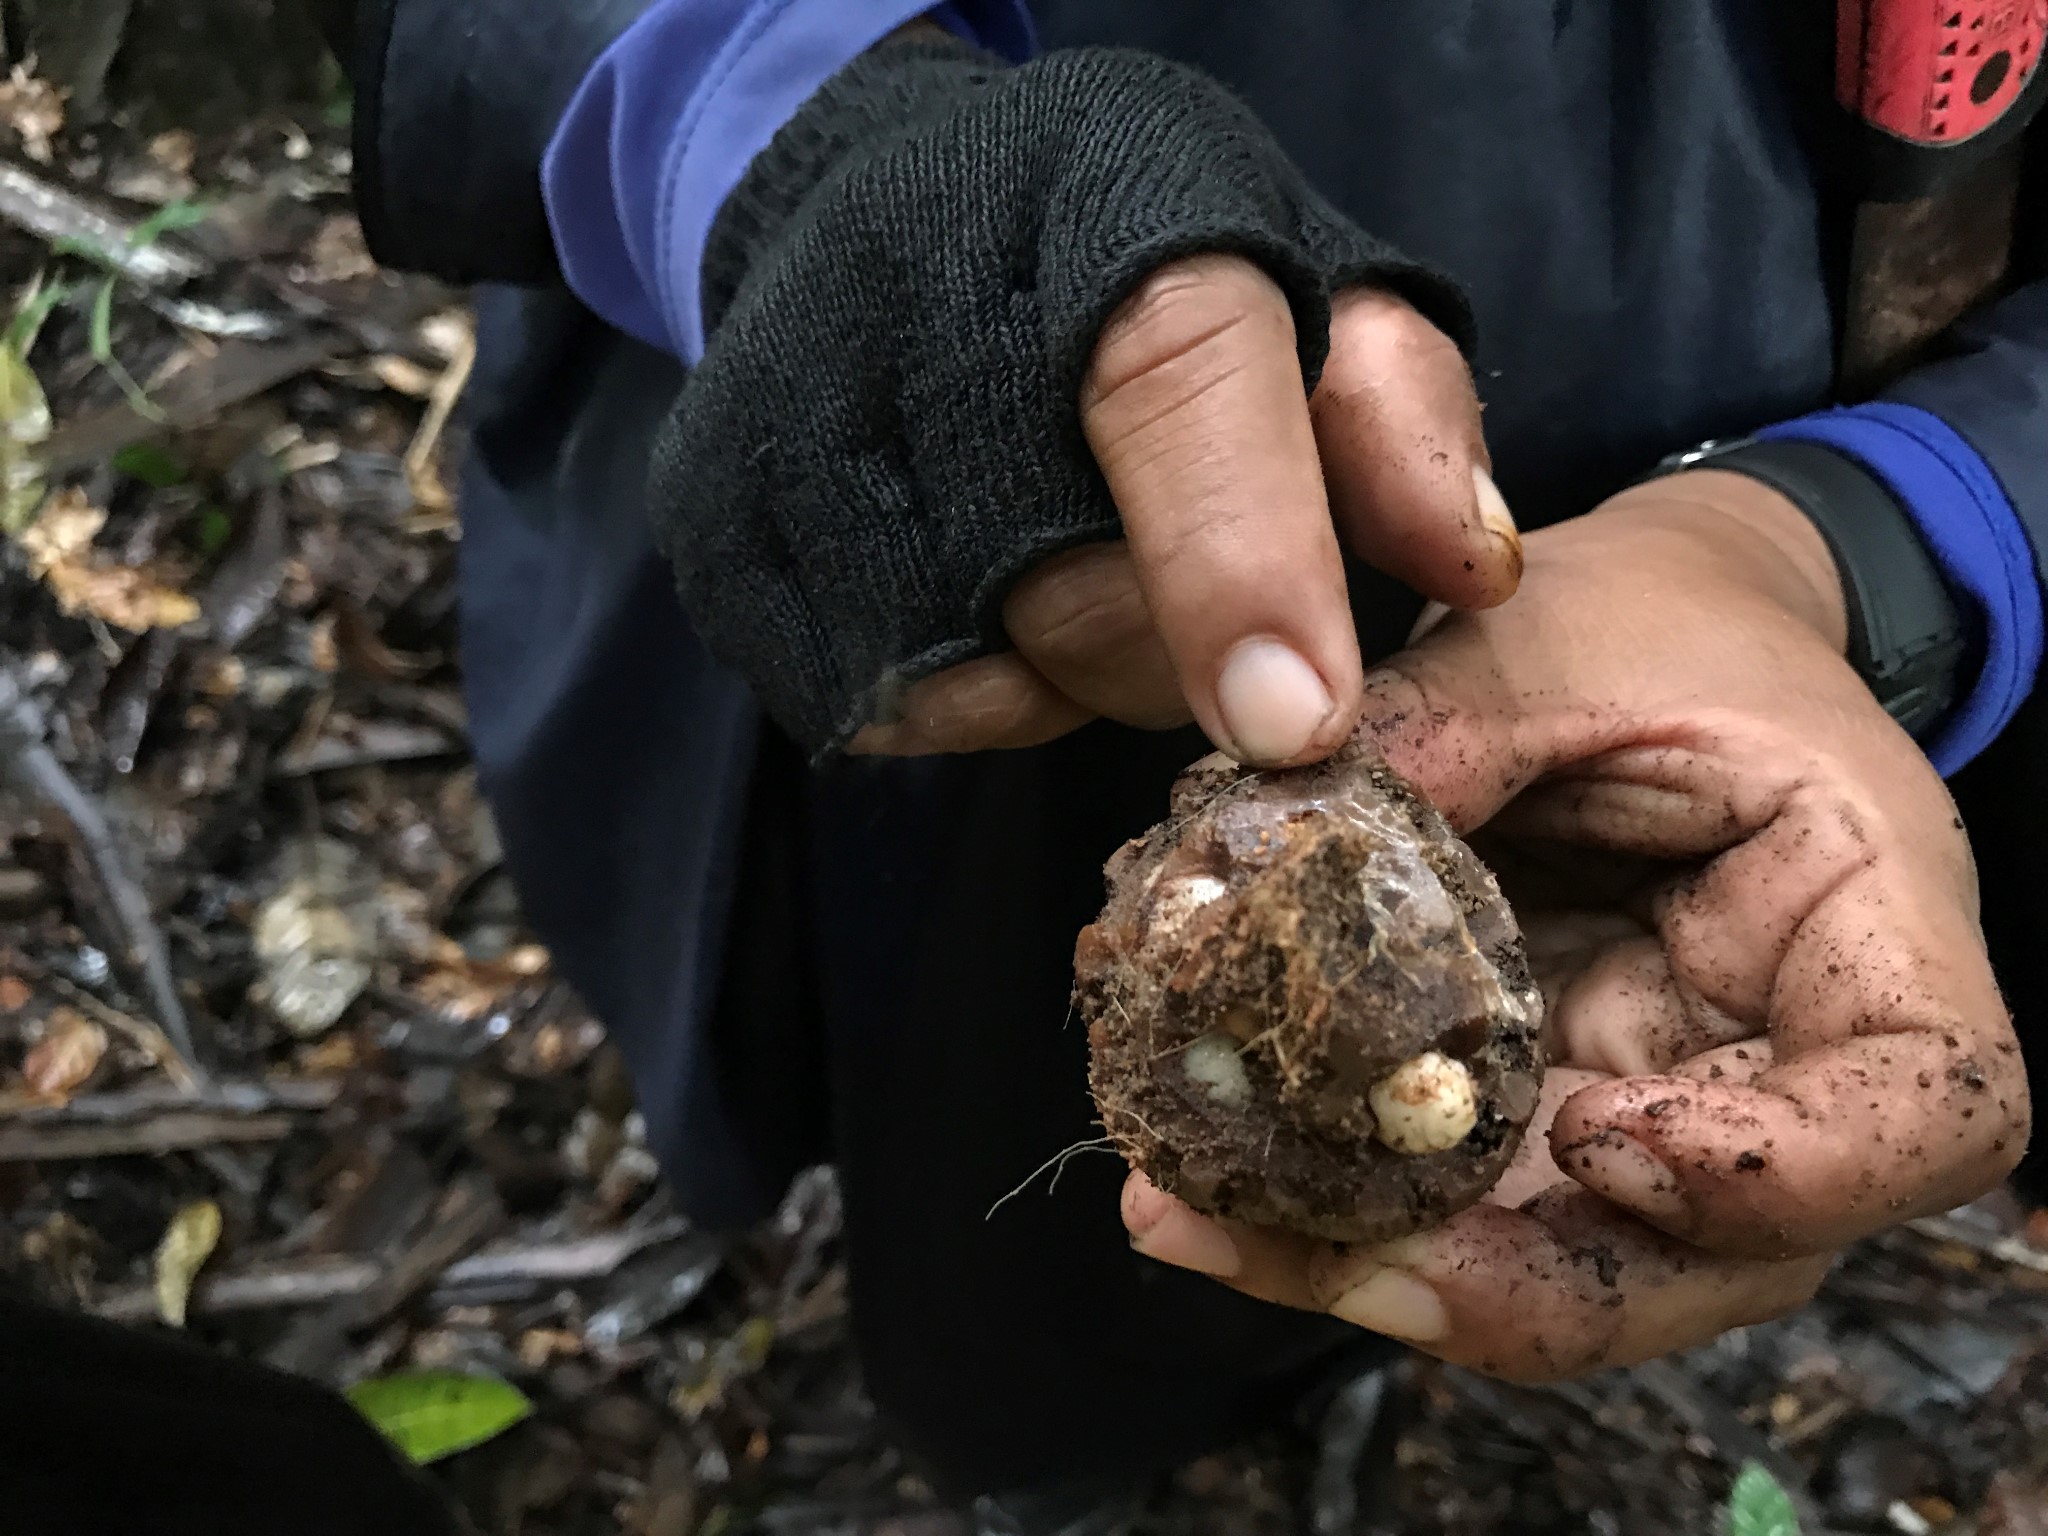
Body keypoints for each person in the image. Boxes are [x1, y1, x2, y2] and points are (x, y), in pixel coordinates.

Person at [320, 1, 2046, 1530]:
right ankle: (1028, 1432)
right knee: (988, 1176)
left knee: (1319, 1220)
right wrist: (788, 109)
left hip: (1681, 630)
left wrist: (1867, 524)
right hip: (941, 581)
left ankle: (1236, 1390)